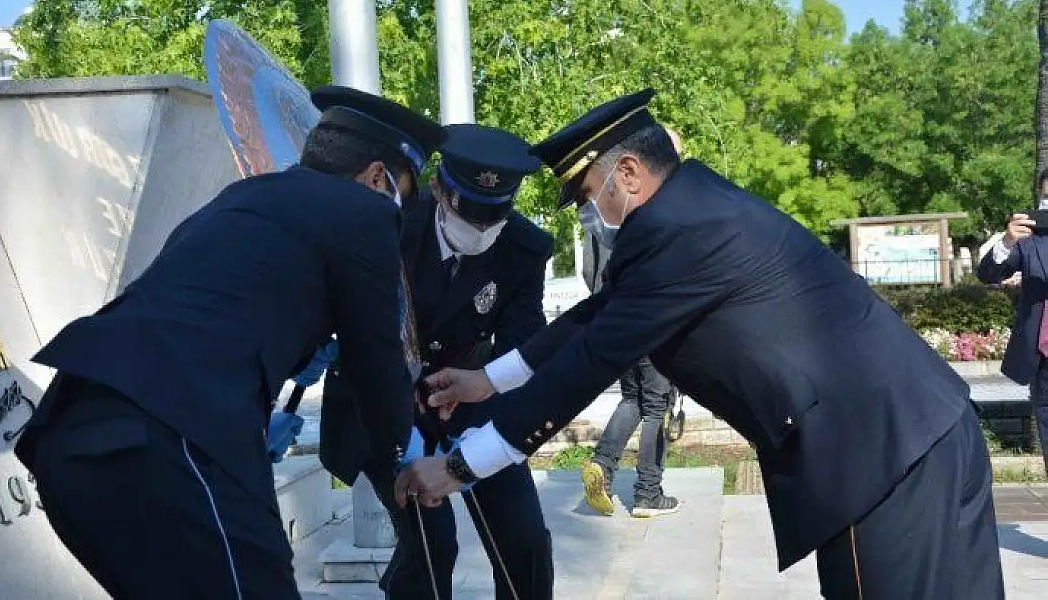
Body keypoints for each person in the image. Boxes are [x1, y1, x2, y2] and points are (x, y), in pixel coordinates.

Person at [399, 89, 1004, 599]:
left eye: (588, 193)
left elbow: (590, 362)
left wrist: (458, 467)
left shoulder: (679, 235)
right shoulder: (689, 213)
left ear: (628, 173)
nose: (588, 210)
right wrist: (488, 381)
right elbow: (600, 316)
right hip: (916, 436)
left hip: (882, 456)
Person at [13, 85, 446, 600]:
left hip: (70, 438)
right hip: (171, 441)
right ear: (377, 177)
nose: (400, 210)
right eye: (404, 191)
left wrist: (283, 382)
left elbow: (220, 314)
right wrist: (403, 452)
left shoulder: (242, 197)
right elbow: (376, 361)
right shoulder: (366, 211)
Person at [315, 123, 555, 599]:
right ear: (439, 189)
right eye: (471, 216)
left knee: (524, 537)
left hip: (472, 399)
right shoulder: (390, 227)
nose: (482, 230)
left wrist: (481, 401)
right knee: (432, 543)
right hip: (380, 399)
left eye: (495, 217)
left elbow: (522, 344)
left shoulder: (524, 248)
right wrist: (402, 422)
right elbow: (360, 329)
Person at [580, 227, 680, 517]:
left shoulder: (598, 213)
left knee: (632, 399)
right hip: (651, 317)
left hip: (615, 318)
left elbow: (589, 270)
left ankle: (603, 465)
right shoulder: (648, 209)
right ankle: (648, 494)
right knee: (656, 406)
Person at [977, 180, 1048, 474]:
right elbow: (988, 273)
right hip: (1044, 361)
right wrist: (1006, 242)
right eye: (1046, 197)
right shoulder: (1029, 243)